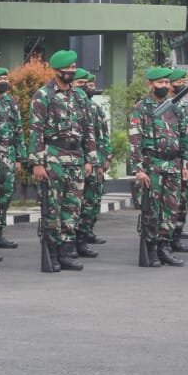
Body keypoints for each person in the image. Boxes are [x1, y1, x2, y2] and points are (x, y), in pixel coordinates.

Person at [27, 50, 94, 272]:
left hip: (76, 158)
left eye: (74, 67)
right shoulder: (43, 96)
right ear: (57, 71)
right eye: (68, 68)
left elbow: (88, 129)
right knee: (52, 209)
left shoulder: (80, 96)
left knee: (72, 207)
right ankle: (52, 252)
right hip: (53, 157)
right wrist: (37, 162)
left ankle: (67, 252)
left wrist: (90, 158)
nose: (72, 71)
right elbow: (36, 130)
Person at [129, 67, 188, 267]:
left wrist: (186, 164)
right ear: (150, 85)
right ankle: (151, 249)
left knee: (171, 208)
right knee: (152, 211)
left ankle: (165, 248)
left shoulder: (175, 108)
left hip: (173, 164)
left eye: (166, 82)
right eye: (160, 83)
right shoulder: (141, 108)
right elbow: (134, 140)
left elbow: (185, 138)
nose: (164, 86)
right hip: (152, 165)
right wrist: (138, 169)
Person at [0, 67, 25, 249]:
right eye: (0, 78)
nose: (4, 81)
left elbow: (18, 130)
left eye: (6, 78)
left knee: (6, 195)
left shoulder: (11, 102)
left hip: (8, 156)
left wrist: (19, 158)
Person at [72, 69, 109, 256]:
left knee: (92, 200)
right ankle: (75, 240)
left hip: (94, 160)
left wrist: (105, 158)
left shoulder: (94, 108)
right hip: (75, 160)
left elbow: (102, 135)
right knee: (76, 203)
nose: (85, 87)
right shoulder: (71, 106)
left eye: (87, 84)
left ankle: (85, 234)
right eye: (81, 83)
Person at [168, 69, 188, 251]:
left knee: (184, 200)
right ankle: (166, 238)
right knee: (170, 203)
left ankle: (177, 235)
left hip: (185, 161)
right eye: (179, 82)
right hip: (168, 162)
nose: (182, 85)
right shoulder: (164, 106)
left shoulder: (186, 107)